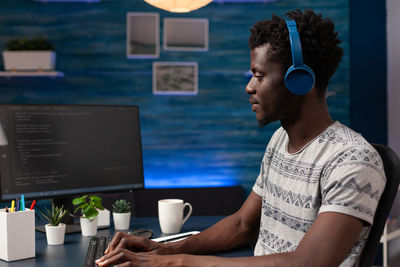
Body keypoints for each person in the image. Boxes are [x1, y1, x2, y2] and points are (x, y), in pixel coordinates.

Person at [96, 9, 386, 267]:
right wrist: (162, 250)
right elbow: (242, 224)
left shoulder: (353, 161)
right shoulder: (278, 141)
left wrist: (172, 263)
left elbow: (308, 261)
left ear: (300, 80)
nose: (249, 87)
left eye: (259, 76)